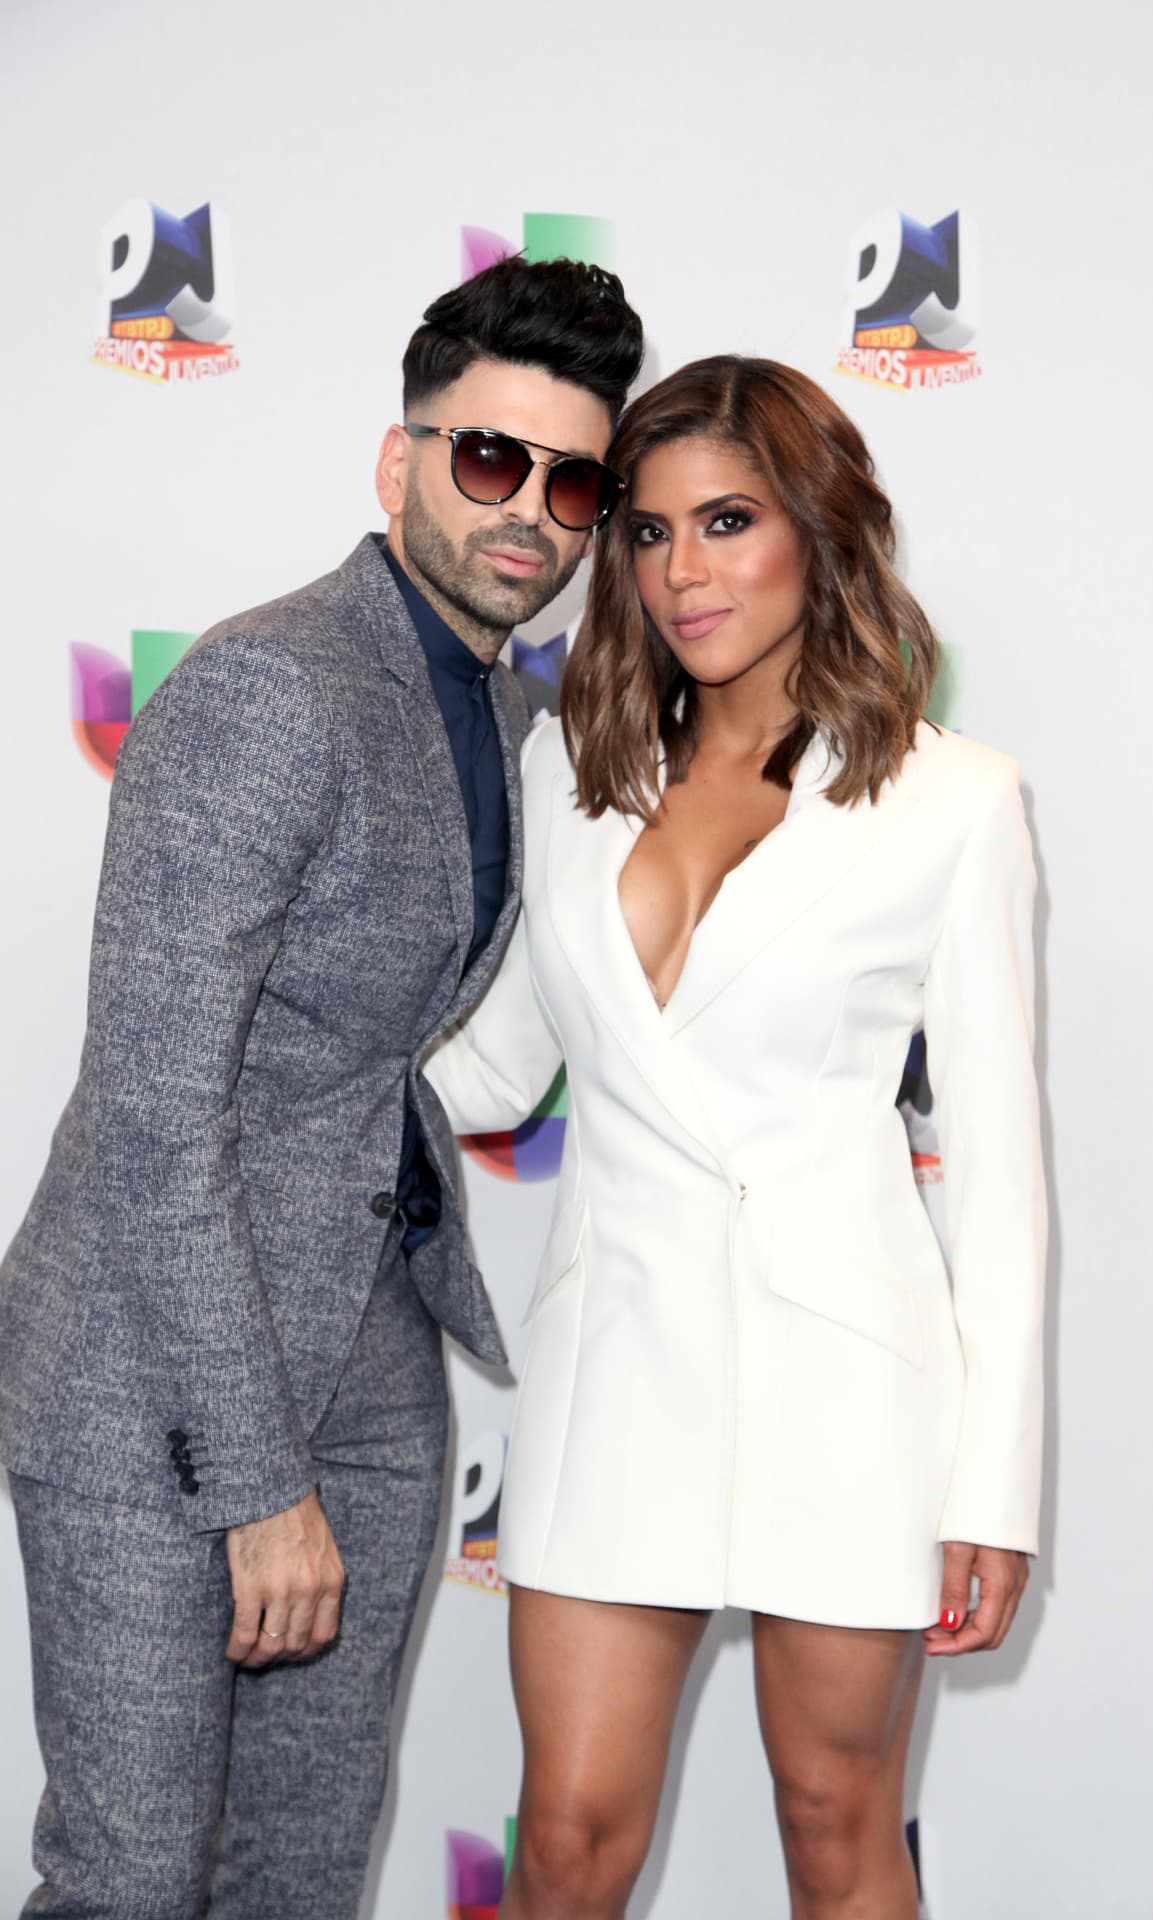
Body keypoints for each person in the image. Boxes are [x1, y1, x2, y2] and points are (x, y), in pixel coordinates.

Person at [0, 255, 644, 1918]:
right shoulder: (269, 689)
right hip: (153, 1376)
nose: (530, 513)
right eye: (489, 459)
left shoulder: (518, 718)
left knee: (299, 1876)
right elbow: (155, 1111)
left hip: (372, 1366)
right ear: (398, 461)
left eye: (574, 484)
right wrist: (257, 1480)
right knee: (135, 1883)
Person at [423, 355, 1046, 1920]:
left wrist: (994, 1487)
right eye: (647, 532)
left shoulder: (955, 802)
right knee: (566, 1843)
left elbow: (999, 1176)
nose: (681, 572)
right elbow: (492, 1071)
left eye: (727, 522)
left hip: (848, 1380)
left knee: (838, 1826)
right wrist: (277, 1049)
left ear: (817, 531)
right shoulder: (569, 766)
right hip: (616, 1364)